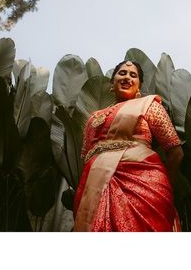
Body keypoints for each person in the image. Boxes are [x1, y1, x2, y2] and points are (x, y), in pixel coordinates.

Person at [73, 60, 184, 231]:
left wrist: (165, 189)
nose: (127, 77)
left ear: (139, 85)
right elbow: (86, 156)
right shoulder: (94, 118)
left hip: (145, 187)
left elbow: (176, 151)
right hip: (94, 187)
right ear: (112, 82)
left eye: (133, 75)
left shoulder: (150, 106)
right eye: (122, 73)